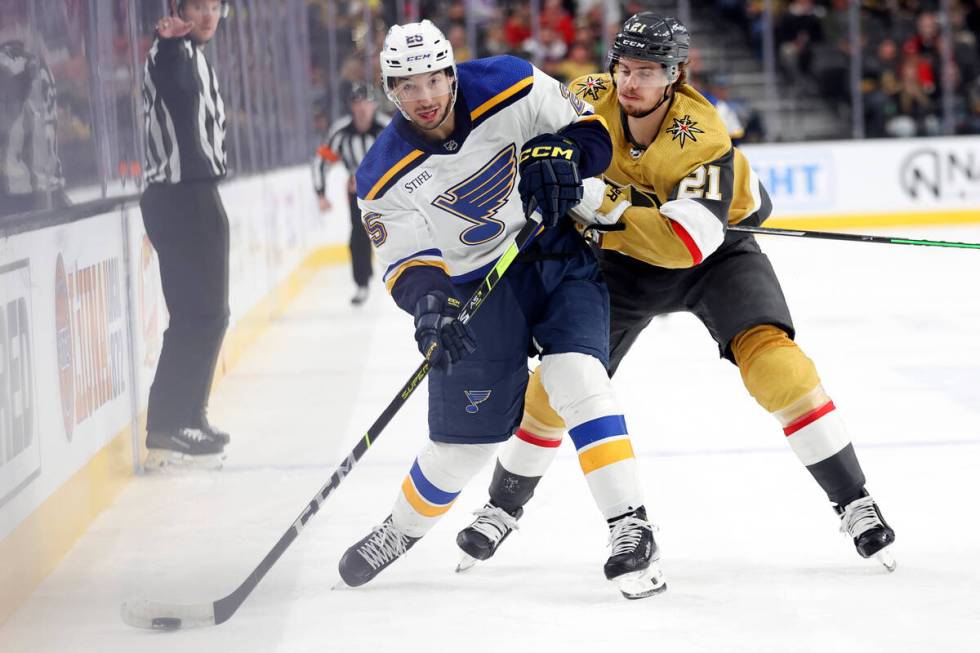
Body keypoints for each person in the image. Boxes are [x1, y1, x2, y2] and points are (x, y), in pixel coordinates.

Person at [458, 13, 896, 574]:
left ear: (676, 75)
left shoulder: (702, 131)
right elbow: (519, 139)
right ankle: (501, 509)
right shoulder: (587, 97)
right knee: (554, 388)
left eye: (647, 71)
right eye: (623, 68)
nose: (631, 84)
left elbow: (683, 245)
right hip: (619, 265)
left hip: (712, 257)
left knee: (780, 370)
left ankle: (855, 501)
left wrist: (595, 199)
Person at [337, 20, 665, 600]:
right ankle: (400, 531)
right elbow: (407, 259)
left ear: (451, 73)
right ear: (391, 91)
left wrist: (565, 154)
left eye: (434, 80)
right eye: (407, 86)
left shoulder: (510, 82)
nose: (425, 97)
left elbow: (592, 136)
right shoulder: (380, 172)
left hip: (556, 256)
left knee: (576, 377)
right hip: (474, 287)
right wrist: (428, 304)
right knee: (463, 444)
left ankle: (630, 526)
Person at [139, 0, 232, 469]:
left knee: (211, 313)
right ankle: (168, 422)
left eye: (216, 6)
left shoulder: (194, 52)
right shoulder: (170, 52)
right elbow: (175, 92)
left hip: (195, 194)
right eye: (198, 6)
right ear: (177, 10)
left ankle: (189, 414)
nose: (209, 15)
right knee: (199, 312)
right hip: (180, 196)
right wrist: (172, 42)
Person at [313, 84, 389, 305]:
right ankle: (362, 283)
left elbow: (405, 154)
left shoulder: (386, 128)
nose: (362, 108)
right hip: (358, 193)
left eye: (366, 103)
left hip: (389, 191)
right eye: (357, 103)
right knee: (358, 236)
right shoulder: (342, 132)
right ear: (351, 107)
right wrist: (320, 193)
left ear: (374, 105)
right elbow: (321, 161)